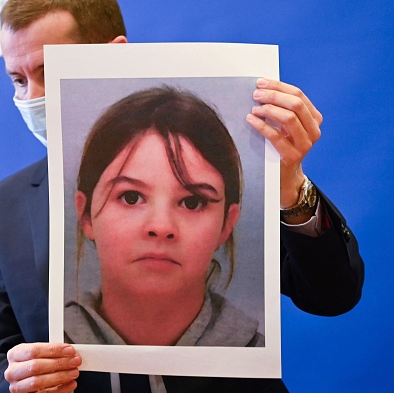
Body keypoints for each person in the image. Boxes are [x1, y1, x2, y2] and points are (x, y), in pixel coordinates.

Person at [0, 1, 364, 393]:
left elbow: (333, 295)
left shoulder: (243, 165)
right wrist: (15, 380)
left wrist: (291, 185)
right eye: (18, 81)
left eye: (47, 72)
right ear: (84, 212)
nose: (33, 96)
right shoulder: (2, 208)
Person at [65, 86, 262, 348]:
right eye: (131, 197)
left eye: (192, 202)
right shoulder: (38, 350)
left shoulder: (257, 368)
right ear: (86, 215)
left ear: (227, 224)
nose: (161, 227)